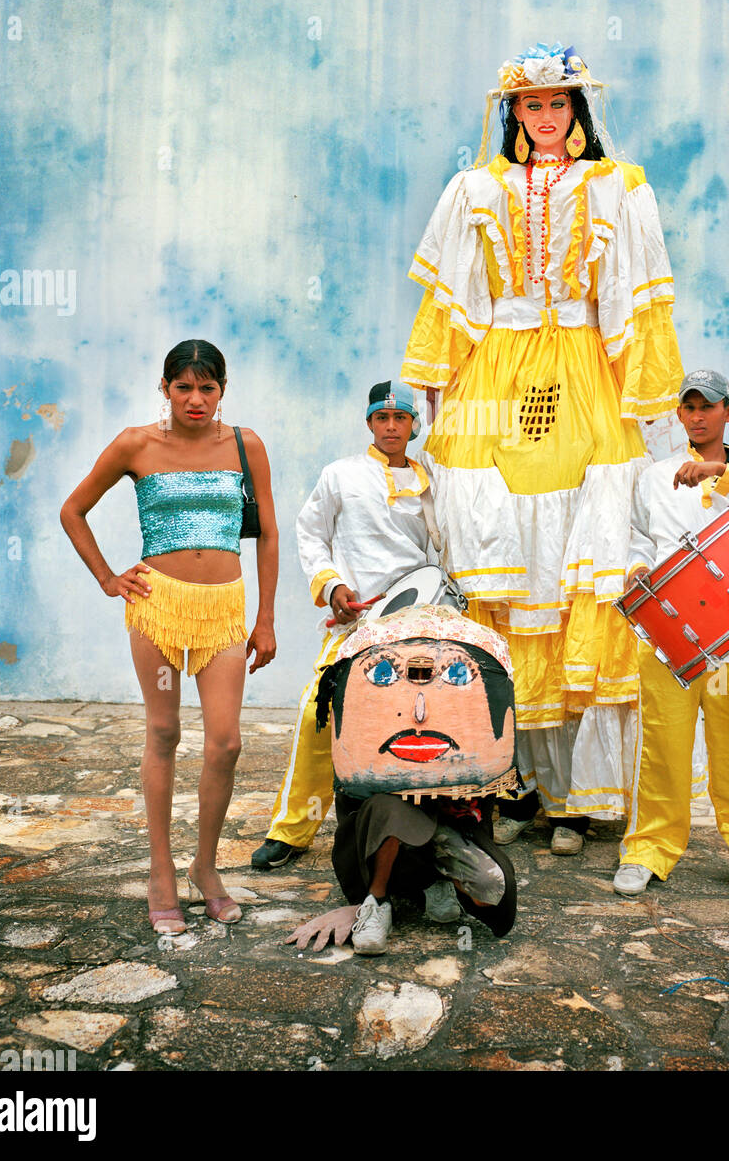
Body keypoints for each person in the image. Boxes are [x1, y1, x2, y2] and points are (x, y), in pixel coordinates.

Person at [401, 43, 684, 852]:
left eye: (559, 104)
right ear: (513, 115)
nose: (547, 118)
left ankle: (582, 798)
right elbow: (451, 295)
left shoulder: (618, 188)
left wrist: (649, 395)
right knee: (502, 568)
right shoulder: (474, 190)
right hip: (496, 378)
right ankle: (511, 777)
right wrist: (434, 380)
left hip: (585, 376)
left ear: (578, 113)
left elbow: (640, 299)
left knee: (579, 564)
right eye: (532, 106)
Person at [60, 339, 277, 933]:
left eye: (207, 387)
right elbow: (73, 509)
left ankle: (205, 867)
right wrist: (108, 577)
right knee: (163, 731)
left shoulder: (244, 445)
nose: (196, 398)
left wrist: (265, 618)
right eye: (184, 387)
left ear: (222, 391)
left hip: (224, 609)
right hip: (158, 605)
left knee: (225, 742)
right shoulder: (137, 444)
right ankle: (161, 870)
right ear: (165, 389)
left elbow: (269, 535)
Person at [613, 370, 729, 900]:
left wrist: (721, 474)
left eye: (709, 406)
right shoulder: (654, 478)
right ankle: (648, 850)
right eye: (689, 407)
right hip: (668, 639)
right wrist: (635, 570)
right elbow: (638, 539)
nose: (698, 415)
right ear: (680, 414)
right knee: (662, 750)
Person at [251, 380, 440, 870]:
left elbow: (440, 554)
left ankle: (415, 838)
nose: (391, 426)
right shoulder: (340, 475)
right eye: (382, 418)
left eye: (401, 418)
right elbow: (310, 532)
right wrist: (332, 586)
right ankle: (292, 831)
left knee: (419, 724)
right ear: (370, 423)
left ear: (414, 425)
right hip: (354, 622)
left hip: (415, 627)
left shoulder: (433, 484)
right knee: (318, 714)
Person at [286, 610, 517, 956]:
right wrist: (356, 900)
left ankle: (435, 879)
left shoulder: (470, 750)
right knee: (391, 810)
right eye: (383, 674)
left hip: (447, 829)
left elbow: (479, 815)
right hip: (378, 839)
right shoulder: (365, 744)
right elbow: (353, 805)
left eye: (456, 675)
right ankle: (376, 902)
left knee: (492, 889)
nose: (420, 711)